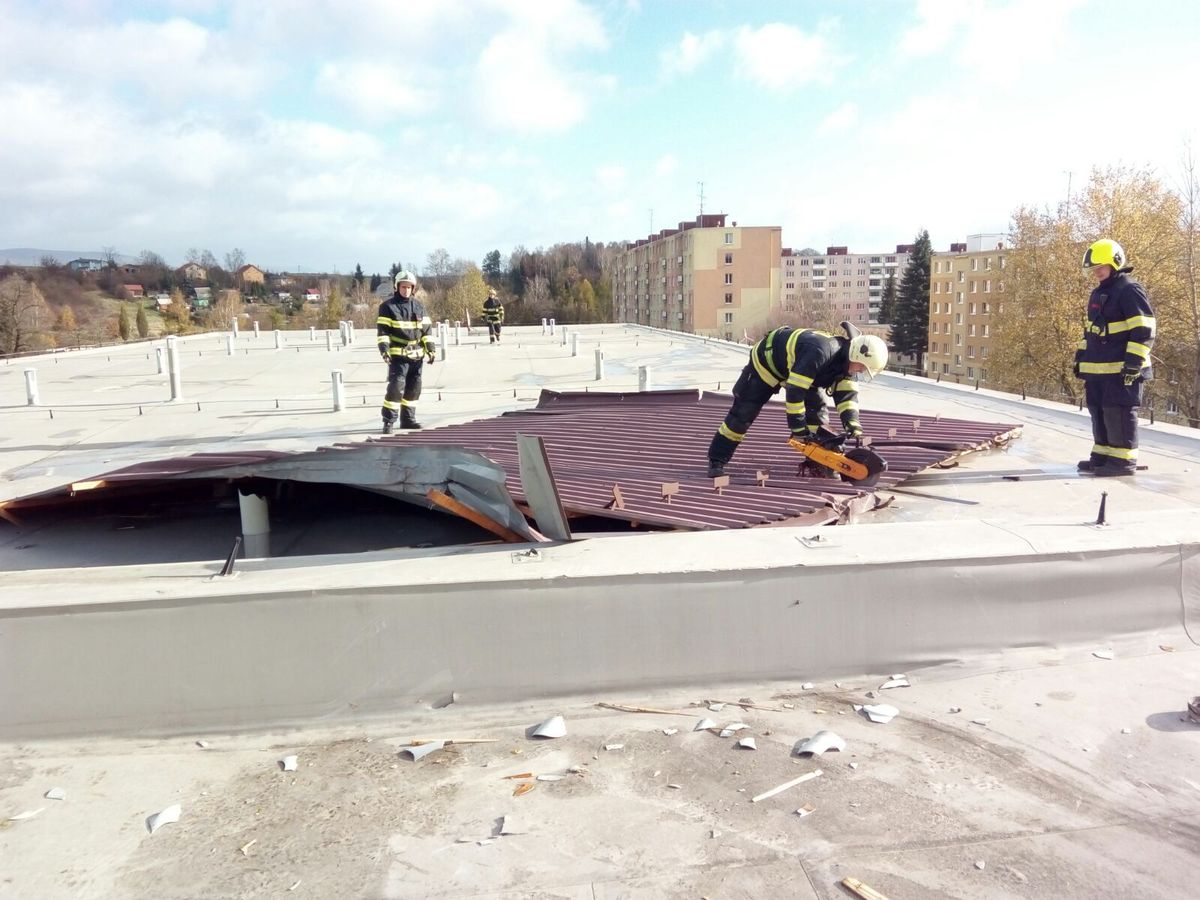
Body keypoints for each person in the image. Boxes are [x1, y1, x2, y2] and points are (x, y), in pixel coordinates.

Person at [706, 324, 888, 477]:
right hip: (768, 364)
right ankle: (717, 460)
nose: (860, 372)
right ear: (856, 354)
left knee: (817, 418)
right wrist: (798, 428)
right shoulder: (820, 352)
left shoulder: (847, 366)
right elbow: (795, 393)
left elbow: (848, 399)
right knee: (743, 414)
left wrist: (853, 426)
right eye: (862, 367)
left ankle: (817, 463)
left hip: (800, 372)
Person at [1074, 239, 1156, 476]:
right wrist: (1081, 358)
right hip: (1099, 369)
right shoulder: (1098, 293)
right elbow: (1090, 331)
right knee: (1099, 411)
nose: (1097, 272)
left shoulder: (1129, 289)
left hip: (1123, 370)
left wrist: (1133, 363)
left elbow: (1144, 329)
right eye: (1094, 268)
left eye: (1101, 266)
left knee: (1117, 412)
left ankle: (1122, 463)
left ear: (1115, 263)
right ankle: (1102, 456)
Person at [376, 270, 435, 434]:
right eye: (403, 287)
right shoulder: (387, 307)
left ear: (413, 288)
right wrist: (384, 350)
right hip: (398, 356)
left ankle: (408, 419)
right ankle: (389, 421)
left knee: (414, 388)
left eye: (409, 287)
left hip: (417, 357)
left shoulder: (419, 306)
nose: (406, 290)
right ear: (397, 287)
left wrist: (431, 349)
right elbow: (383, 332)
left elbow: (426, 331)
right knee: (396, 388)